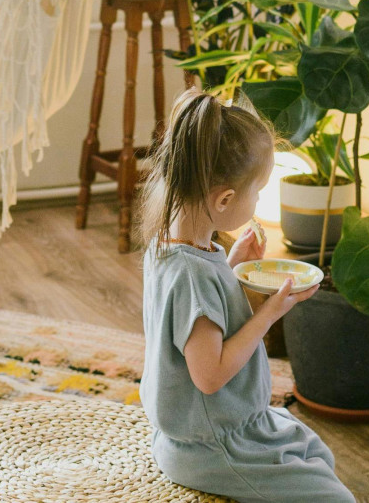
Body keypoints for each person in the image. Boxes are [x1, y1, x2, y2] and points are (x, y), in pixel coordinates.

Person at [138, 88, 356, 502]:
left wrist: (234, 268)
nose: (258, 201)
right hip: (215, 446)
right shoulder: (191, 274)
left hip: (219, 427)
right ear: (224, 199)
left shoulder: (177, 246)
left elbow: (200, 315)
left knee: (314, 452)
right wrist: (268, 314)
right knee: (336, 498)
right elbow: (209, 374)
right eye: (257, 191)